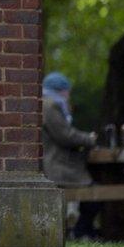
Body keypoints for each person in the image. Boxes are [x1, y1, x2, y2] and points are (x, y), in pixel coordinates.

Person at [41, 71, 99, 238]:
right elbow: (65, 135)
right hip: (58, 166)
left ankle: (80, 230)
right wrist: (89, 138)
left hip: (56, 163)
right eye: (67, 90)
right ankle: (81, 231)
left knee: (93, 188)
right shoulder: (51, 105)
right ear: (61, 89)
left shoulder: (47, 103)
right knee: (95, 193)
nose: (68, 94)